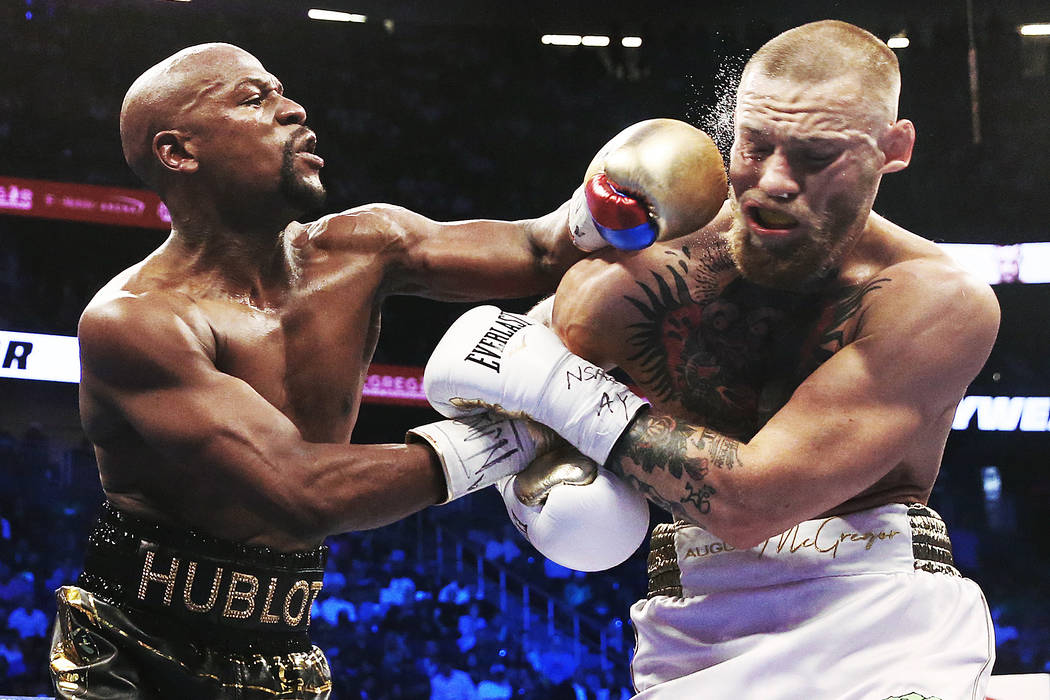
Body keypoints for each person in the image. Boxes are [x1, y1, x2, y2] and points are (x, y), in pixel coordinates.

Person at [422, 20, 1000, 699]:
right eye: (756, 146)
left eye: (817, 155)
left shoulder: (933, 299)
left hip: (884, 624)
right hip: (693, 635)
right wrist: (526, 483)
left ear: (891, 149)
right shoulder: (628, 283)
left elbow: (755, 500)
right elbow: (503, 397)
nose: (775, 181)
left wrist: (552, 384)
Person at [47, 41, 599, 700]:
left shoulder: (364, 247)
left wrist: (621, 202)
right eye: (255, 99)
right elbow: (303, 491)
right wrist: (527, 434)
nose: (294, 109)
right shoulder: (135, 321)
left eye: (282, 91)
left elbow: (544, 250)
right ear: (179, 152)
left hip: (287, 654)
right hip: (135, 653)